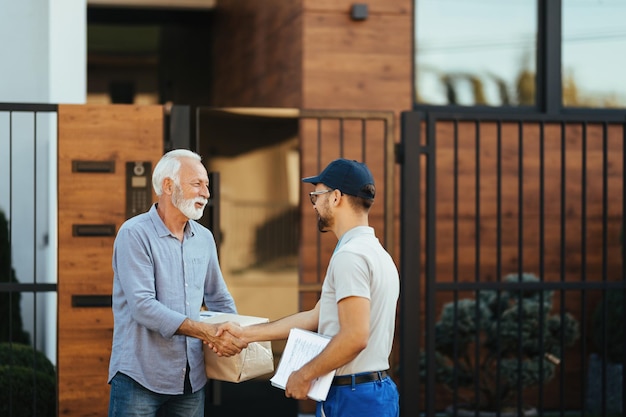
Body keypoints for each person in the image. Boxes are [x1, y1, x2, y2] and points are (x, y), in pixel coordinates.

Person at [214, 158, 400, 417]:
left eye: (317, 195)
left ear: (335, 197)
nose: (314, 204)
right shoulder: (377, 254)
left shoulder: (351, 257)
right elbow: (316, 316)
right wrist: (245, 334)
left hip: (355, 399)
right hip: (367, 392)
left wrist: (305, 374)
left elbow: (355, 336)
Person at [108, 149, 246, 417]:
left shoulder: (204, 238)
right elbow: (143, 307)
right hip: (139, 377)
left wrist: (240, 334)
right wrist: (204, 331)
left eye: (207, 185)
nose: (206, 193)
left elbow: (218, 297)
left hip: (190, 381)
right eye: (197, 184)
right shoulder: (134, 234)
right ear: (168, 186)